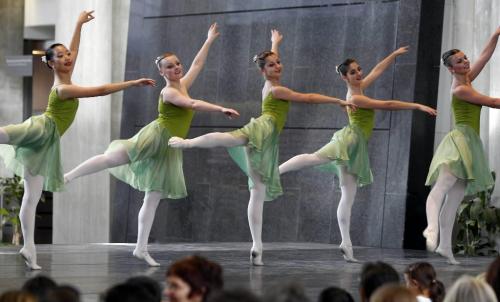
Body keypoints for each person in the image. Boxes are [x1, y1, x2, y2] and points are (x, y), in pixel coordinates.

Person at [169, 30, 351, 266]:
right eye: (272, 65)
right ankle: (189, 143)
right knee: (233, 138)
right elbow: (308, 97)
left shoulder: (272, 82)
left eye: (279, 63)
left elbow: (271, 60)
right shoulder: (276, 90)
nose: (278, 66)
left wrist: (275, 43)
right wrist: (337, 100)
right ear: (263, 71)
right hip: (264, 129)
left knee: (257, 191)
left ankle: (257, 246)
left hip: (269, 139)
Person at [64, 23, 239, 266]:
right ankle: (68, 176)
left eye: (177, 64)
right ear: (162, 73)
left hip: (170, 147)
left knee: (153, 197)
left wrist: (208, 40)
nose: (176, 68)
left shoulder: (184, 85)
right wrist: (220, 108)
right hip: (155, 137)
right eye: (170, 66)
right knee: (111, 159)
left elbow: (198, 64)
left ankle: (140, 248)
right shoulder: (169, 92)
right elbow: (193, 105)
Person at [0, 10, 155, 270]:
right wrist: (131, 83)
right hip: (41, 130)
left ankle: (29, 247)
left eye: (66, 55)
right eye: (59, 57)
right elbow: (100, 90)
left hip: (47, 143)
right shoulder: (63, 88)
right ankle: (29, 247)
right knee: (6, 134)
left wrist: (79, 24)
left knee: (32, 196)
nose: (67, 58)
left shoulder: (65, 75)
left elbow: (73, 49)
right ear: (51, 64)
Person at [279, 47, 436, 262]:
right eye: (353, 72)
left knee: (348, 196)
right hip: (350, 140)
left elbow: (377, 71)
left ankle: (346, 244)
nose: (359, 73)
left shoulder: (359, 88)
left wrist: (394, 55)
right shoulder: (356, 97)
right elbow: (388, 105)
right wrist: (416, 105)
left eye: (359, 69)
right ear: (345, 77)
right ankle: (276, 171)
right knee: (314, 158)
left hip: (357, 146)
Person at [424, 27, 500, 265]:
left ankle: (445, 247)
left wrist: (496, 33)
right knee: (442, 188)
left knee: (455, 198)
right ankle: (431, 228)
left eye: (465, 57)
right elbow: (495, 102)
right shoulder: (461, 89)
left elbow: (485, 56)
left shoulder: (467, 78)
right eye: (460, 61)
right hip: (458, 143)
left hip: (470, 144)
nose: (466, 62)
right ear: (450, 68)